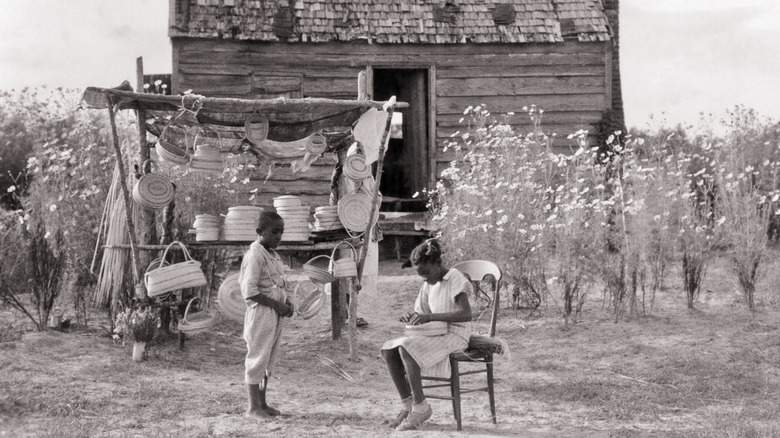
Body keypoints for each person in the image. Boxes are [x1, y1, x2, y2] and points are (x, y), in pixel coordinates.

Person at [381, 238, 473, 431]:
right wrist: (412, 317)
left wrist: (430, 317)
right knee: (389, 349)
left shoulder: (454, 278)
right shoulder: (428, 284)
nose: (424, 278)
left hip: (456, 334)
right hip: (436, 334)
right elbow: (421, 312)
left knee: (407, 348)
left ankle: (421, 407)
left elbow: (466, 314)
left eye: (426, 272)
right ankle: (408, 406)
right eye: (419, 274)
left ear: (437, 263)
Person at [239, 210, 295, 420]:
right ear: (259, 232)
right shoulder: (254, 256)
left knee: (268, 359)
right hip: (261, 313)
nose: (279, 236)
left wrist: (286, 302)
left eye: (281, 232)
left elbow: (278, 283)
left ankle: (263, 403)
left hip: (274, 313)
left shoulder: (272, 254)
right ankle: (252, 408)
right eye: (274, 232)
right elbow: (250, 292)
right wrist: (276, 305)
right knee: (257, 358)